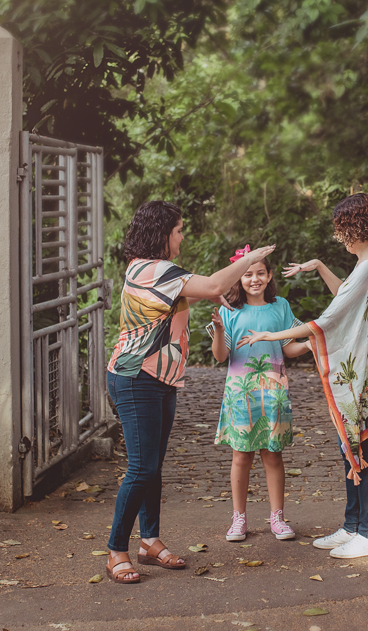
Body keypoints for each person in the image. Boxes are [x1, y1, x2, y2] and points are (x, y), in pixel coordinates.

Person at [105, 200, 276, 584]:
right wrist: (251, 261)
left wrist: (215, 293)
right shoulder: (154, 268)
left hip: (159, 379)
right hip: (136, 378)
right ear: (163, 233)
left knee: (152, 466)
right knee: (141, 468)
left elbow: (194, 294)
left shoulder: (152, 271)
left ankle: (149, 541)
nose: (182, 236)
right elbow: (213, 284)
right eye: (179, 230)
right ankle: (117, 549)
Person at [238, 193, 368, 560]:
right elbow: (345, 295)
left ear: (355, 227)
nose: (341, 237)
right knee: (351, 444)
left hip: (363, 372)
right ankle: (353, 525)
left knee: (362, 448)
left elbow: (329, 320)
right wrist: (320, 265)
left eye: (342, 231)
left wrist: (269, 335)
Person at [210, 245, 312, 542]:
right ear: (239, 278)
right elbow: (220, 356)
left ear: (269, 276)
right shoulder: (228, 310)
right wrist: (218, 330)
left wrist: (307, 345)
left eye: (260, 273)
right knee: (241, 456)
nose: (254, 279)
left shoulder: (280, 306)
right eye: (247, 274)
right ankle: (238, 518)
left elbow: (288, 347)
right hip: (241, 393)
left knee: (273, 455)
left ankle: (277, 518)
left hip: (274, 393)